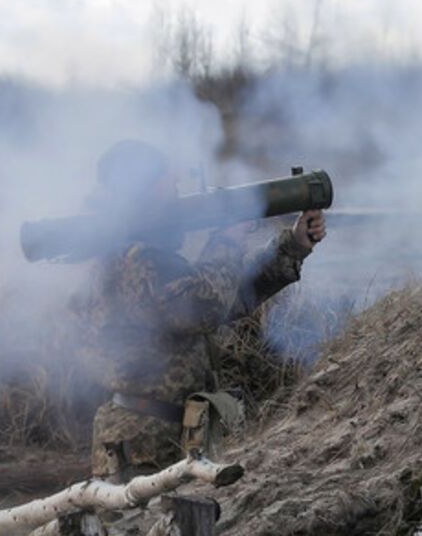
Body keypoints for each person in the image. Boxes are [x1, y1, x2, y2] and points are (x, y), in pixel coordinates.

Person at [76, 139, 326, 481]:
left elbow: (226, 298)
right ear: (143, 192)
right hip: (143, 444)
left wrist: (292, 247)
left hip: (164, 434)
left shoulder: (145, 256)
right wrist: (228, 239)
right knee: (144, 518)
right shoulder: (135, 260)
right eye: (170, 186)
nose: (178, 196)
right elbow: (203, 307)